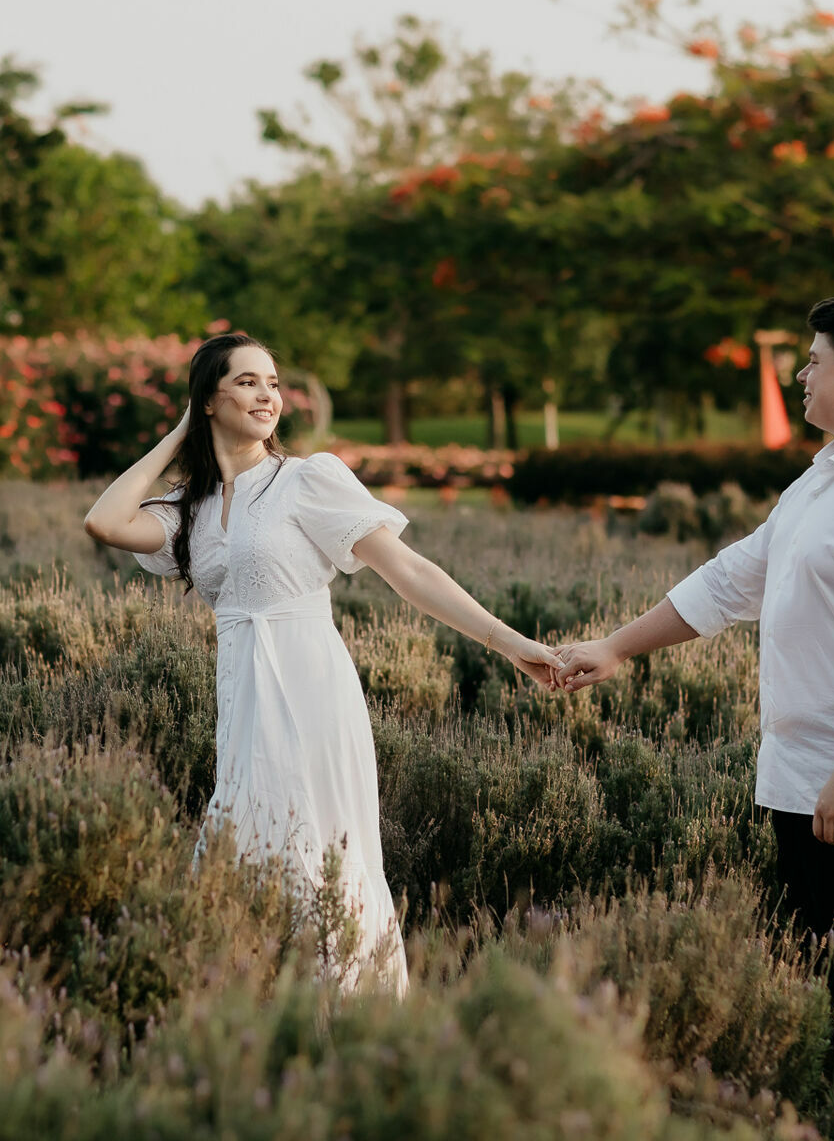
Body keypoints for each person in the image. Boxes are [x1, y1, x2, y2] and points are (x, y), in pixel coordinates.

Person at [84, 333, 563, 996]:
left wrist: (510, 643)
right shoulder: (188, 509)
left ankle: (347, 1015)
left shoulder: (306, 480)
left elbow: (409, 571)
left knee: (321, 852)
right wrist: (180, 433)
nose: (268, 396)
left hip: (311, 691)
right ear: (208, 400)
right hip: (244, 697)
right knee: (242, 847)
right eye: (247, 382)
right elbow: (104, 522)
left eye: (274, 383)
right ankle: (256, 1012)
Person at [554, 295, 834, 1043]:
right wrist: (614, 648)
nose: (800, 376)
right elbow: (729, 582)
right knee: (804, 990)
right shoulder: (821, 481)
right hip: (802, 780)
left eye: (812, 362)